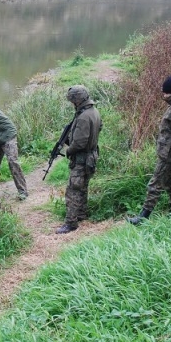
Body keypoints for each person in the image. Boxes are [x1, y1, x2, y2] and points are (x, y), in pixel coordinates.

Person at [128, 76, 171, 225]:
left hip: (170, 155)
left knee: (155, 184)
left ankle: (143, 216)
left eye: (166, 93)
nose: (163, 96)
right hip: (169, 153)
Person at [56, 85, 102, 234]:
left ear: (77, 100)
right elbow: (99, 127)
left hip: (82, 159)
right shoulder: (93, 112)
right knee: (83, 187)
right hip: (91, 156)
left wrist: (69, 150)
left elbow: (80, 142)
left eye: (72, 101)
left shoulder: (83, 117)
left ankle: (71, 222)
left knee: (73, 190)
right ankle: (81, 213)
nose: (72, 104)